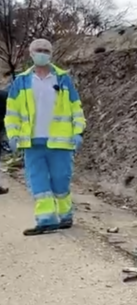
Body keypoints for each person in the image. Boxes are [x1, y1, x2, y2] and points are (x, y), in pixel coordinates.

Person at [3, 39, 86, 234]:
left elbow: (76, 108)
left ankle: (65, 215)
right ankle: (46, 218)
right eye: (38, 50)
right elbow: (12, 112)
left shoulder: (62, 79)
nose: (42, 53)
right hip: (32, 142)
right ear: (31, 54)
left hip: (60, 142)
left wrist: (78, 131)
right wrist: (13, 135)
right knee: (38, 181)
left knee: (60, 180)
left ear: (51, 54)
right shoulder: (21, 81)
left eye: (46, 50)